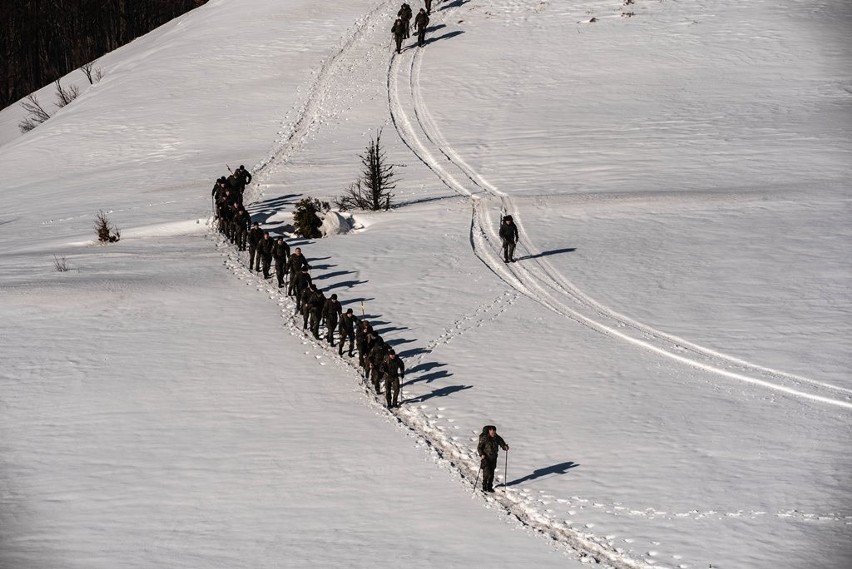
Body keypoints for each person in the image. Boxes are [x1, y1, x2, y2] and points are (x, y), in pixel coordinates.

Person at [477, 425, 509, 492]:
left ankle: (490, 487)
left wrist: (505, 447)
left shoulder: (497, 438)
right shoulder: (484, 438)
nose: (493, 434)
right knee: (486, 472)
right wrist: (481, 454)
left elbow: (502, 444)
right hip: (486, 457)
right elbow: (479, 447)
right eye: (492, 433)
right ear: (489, 431)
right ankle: (484, 486)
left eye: (494, 433)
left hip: (494, 457)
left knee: (491, 472)